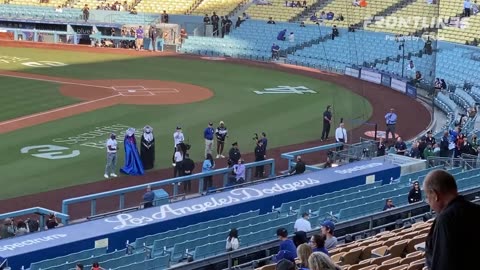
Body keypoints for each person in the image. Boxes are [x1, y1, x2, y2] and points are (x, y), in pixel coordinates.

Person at [424, 170, 480, 270]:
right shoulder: (476, 209)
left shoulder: (445, 220)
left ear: (435, 194)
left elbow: (443, 264)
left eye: (428, 197)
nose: (428, 202)